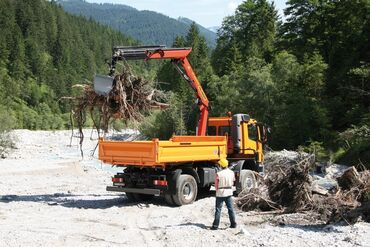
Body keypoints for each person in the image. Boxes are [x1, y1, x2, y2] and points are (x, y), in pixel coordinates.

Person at [211, 158, 237, 230]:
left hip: (220, 193)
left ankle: (215, 226)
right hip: (229, 192)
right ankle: (233, 224)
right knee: (230, 209)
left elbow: (216, 185)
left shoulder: (218, 174)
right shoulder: (232, 172)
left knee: (218, 209)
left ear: (221, 165)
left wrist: (217, 190)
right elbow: (233, 181)